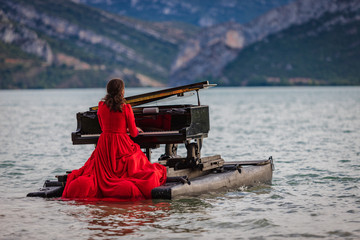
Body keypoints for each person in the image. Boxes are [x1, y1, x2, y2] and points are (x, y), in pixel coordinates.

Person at [62, 78, 167, 201]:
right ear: (122, 92)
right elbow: (133, 134)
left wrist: (120, 129)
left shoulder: (101, 106)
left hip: (104, 144)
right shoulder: (126, 108)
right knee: (141, 165)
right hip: (121, 144)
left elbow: (103, 127)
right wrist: (130, 129)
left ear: (108, 91)